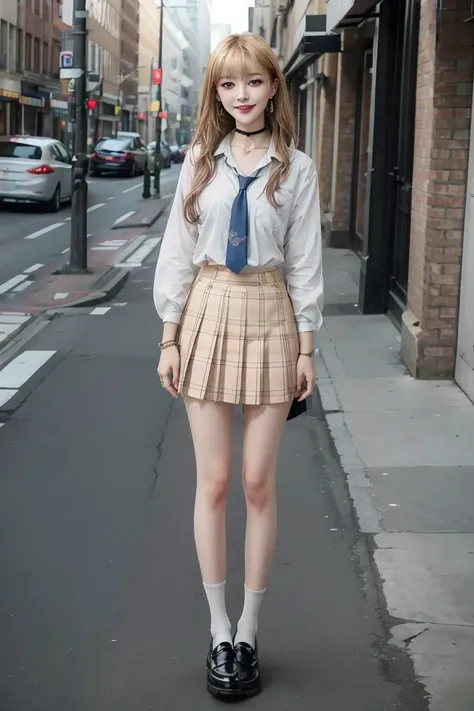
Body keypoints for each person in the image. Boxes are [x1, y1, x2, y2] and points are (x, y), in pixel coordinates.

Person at [153, 33, 323, 699]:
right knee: (216, 481)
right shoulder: (199, 161)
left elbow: (306, 263)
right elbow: (177, 251)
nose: (242, 95)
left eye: (253, 82)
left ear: (274, 85)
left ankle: (250, 630)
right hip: (206, 309)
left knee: (257, 482)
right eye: (228, 85)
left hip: (272, 314)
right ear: (216, 94)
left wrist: (308, 346)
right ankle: (218, 629)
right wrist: (169, 337)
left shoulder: (297, 168)